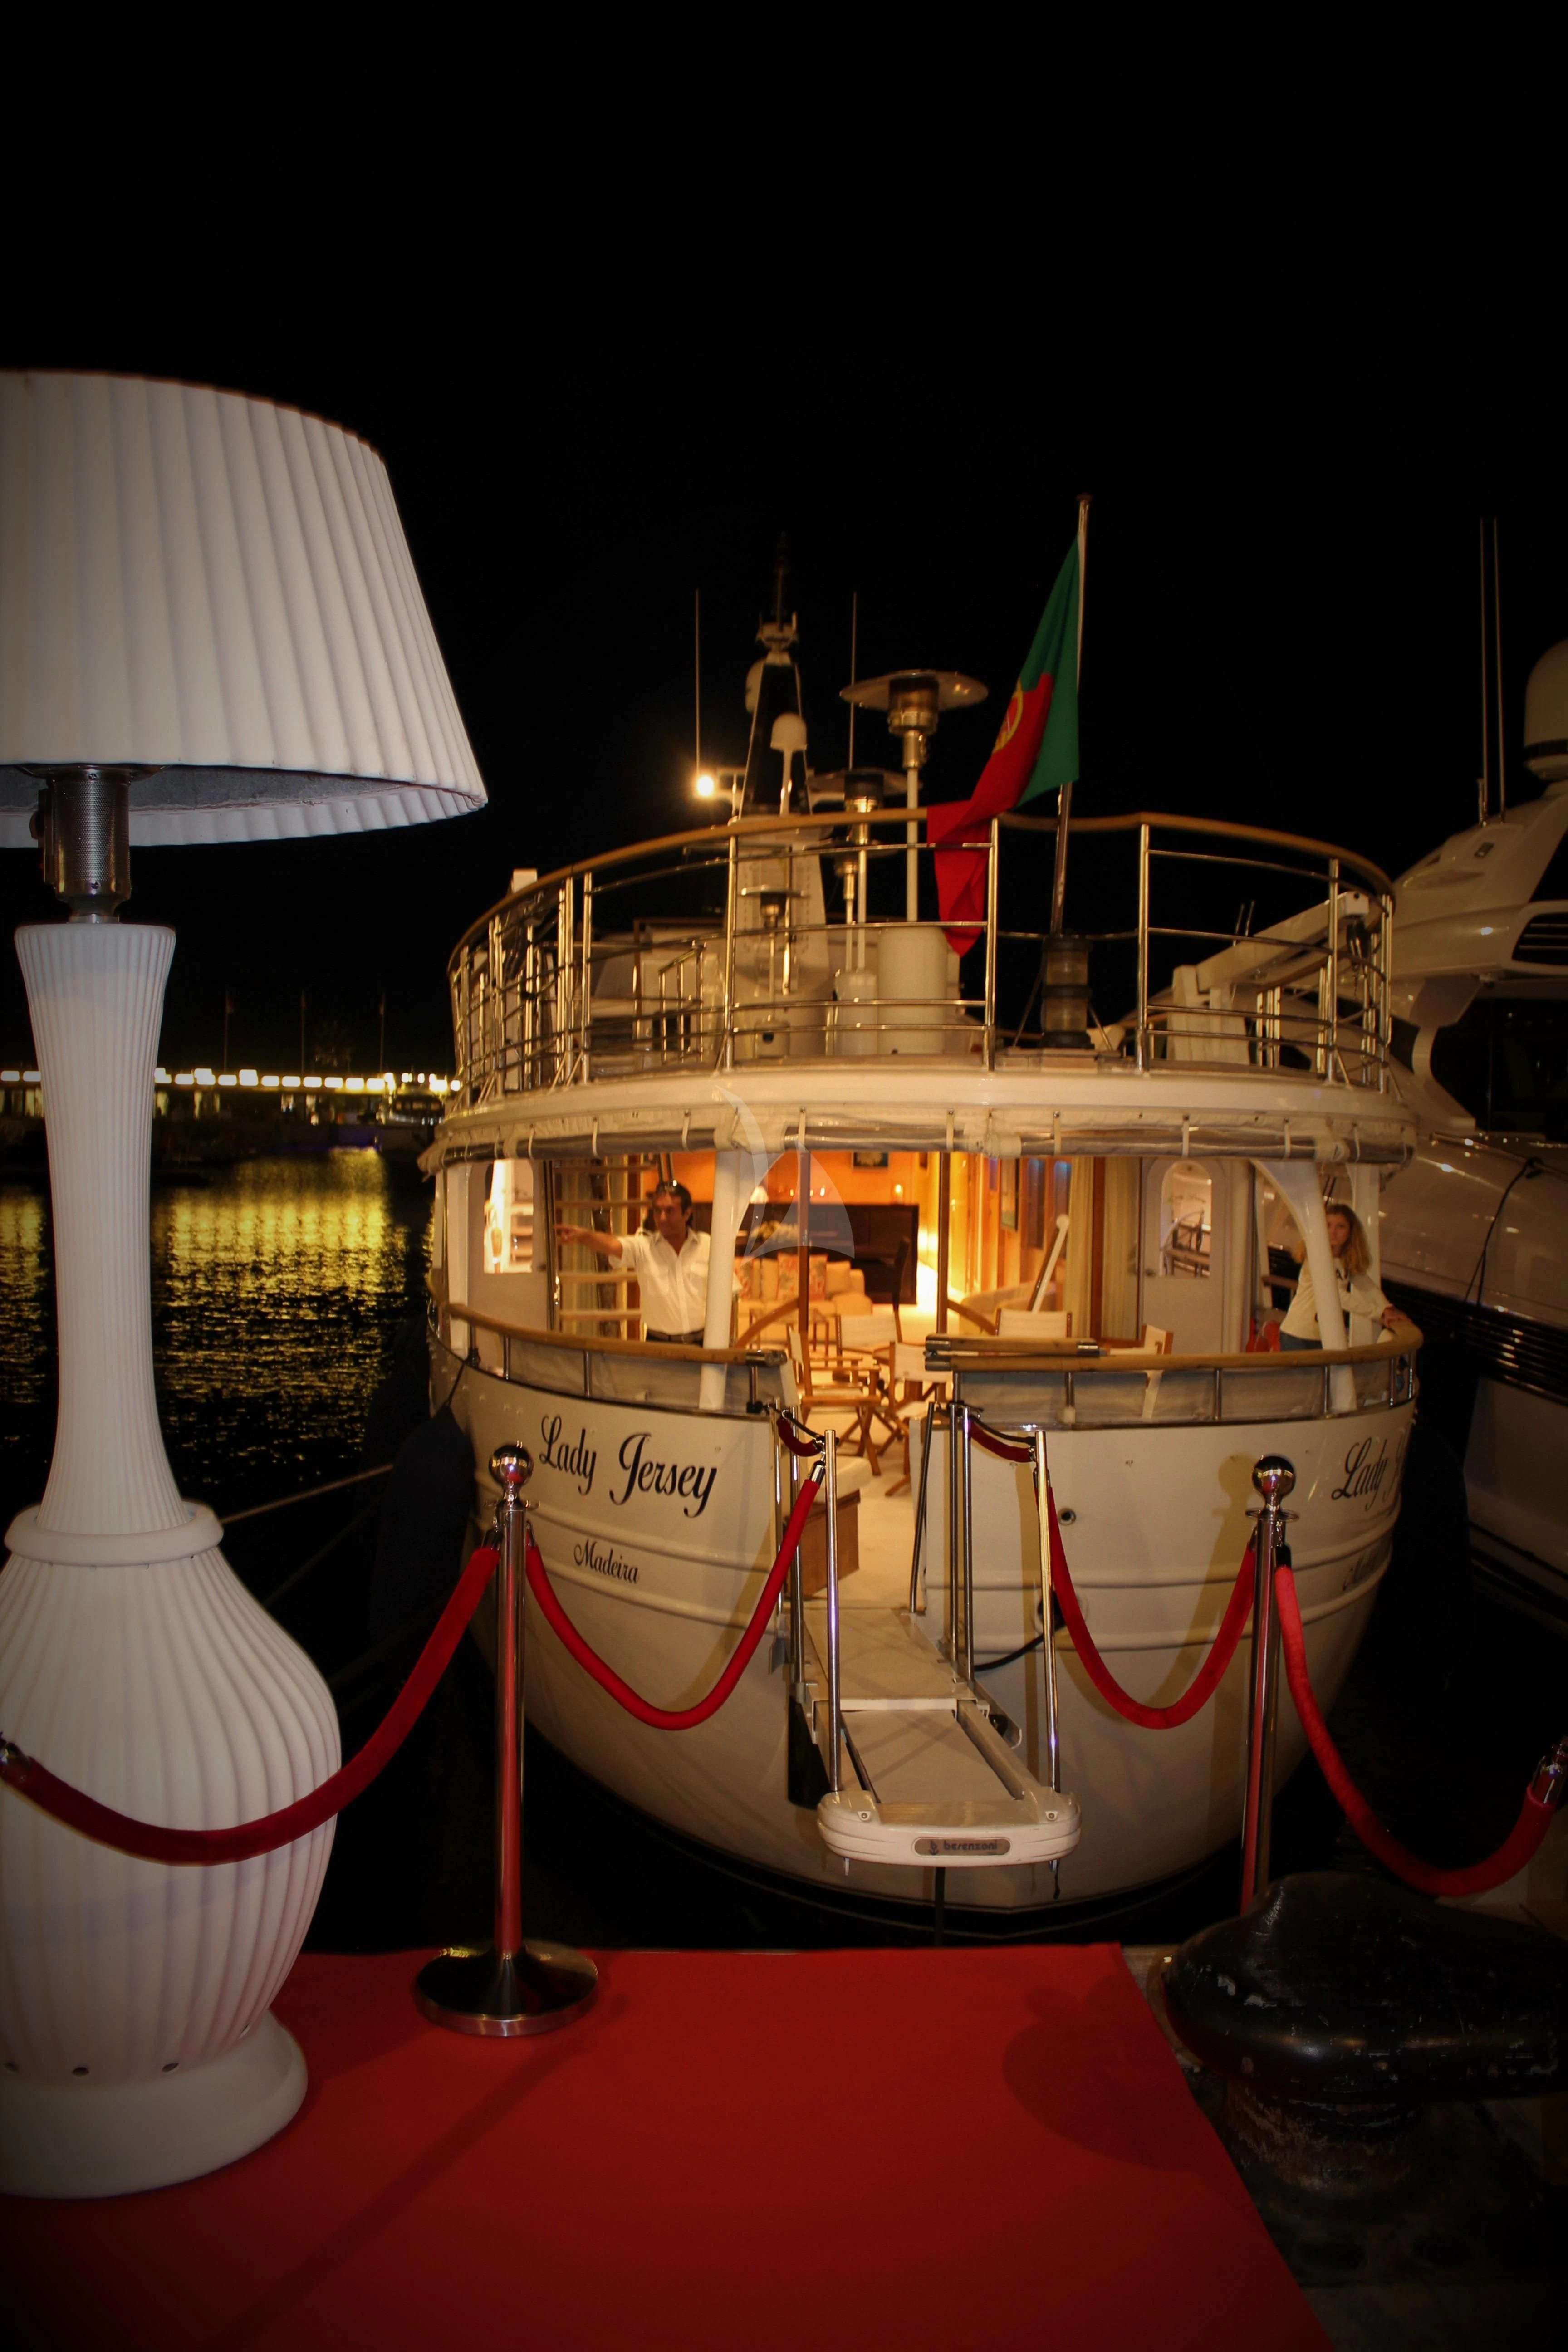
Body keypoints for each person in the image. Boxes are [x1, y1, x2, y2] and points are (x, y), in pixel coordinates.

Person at [554, 1180, 713, 1343]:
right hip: (658, 1345)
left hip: (703, 1343)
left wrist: (726, 1343)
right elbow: (611, 1244)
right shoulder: (643, 1247)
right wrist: (583, 1236)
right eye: (658, 1211)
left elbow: (727, 1297)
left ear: (687, 1213)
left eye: (670, 1211)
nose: (663, 1218)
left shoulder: (707, 1245)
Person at [1279, 1200, 1400, 1350]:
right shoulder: (1316, 1256)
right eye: (1328, 1225)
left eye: (1340, 1227)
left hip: (1325, 1336)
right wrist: (1379, 1313)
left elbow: (1367, 1286)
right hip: (1298, 1334)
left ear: (1351, 1231)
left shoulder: (1345, 1261)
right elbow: (1336, 1297)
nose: (1333, 1232)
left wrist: (1386, 1308)